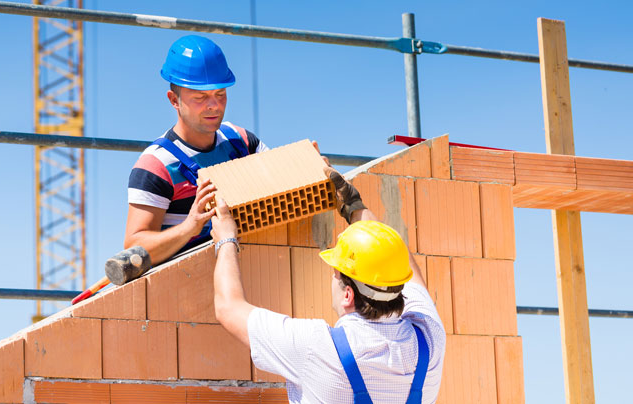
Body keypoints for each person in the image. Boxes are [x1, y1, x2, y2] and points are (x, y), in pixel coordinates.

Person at [210, 167, 446, 404]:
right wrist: (354, 206)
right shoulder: (429, 338)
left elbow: (228, 307)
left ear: (348, 295)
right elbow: (396, 261)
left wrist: (226, 239)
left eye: (335, 273)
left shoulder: (316, 348)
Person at [125, 35, 268, 264]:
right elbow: (134, 251)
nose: (214, 105)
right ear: (174, 100)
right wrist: (190, 227)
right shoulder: (156, 166)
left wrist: (310, 169)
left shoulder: (241, 141)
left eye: (220, 94)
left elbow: (282, 183)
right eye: (200, 97)